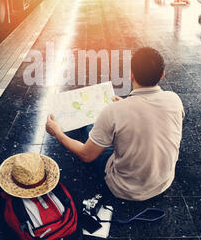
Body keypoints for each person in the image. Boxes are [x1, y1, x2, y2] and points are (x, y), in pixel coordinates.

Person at [46, 47, 185, 201]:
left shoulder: (114, 111)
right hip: (163, 182)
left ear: (131, 74)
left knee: (89, 128)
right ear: (162, 75)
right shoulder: (174, 100)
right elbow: (151, 117)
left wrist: (57, 133)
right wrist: (125, 105)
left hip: (125, 189)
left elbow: (86, 155)